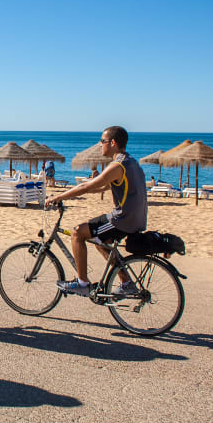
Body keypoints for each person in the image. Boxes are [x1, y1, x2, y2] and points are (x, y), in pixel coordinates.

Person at [45, 126, 147, 298]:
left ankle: (82, 283)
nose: (100, 145)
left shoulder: (118, 165)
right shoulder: (131, 162)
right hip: (136, 218)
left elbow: (86, 187)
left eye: (102, 141)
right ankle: (126, 282)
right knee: (101, 241)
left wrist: (60, 197)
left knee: (78, 233)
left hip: (122, 219)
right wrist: (85, 189)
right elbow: (104, 186)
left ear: (113, 143)